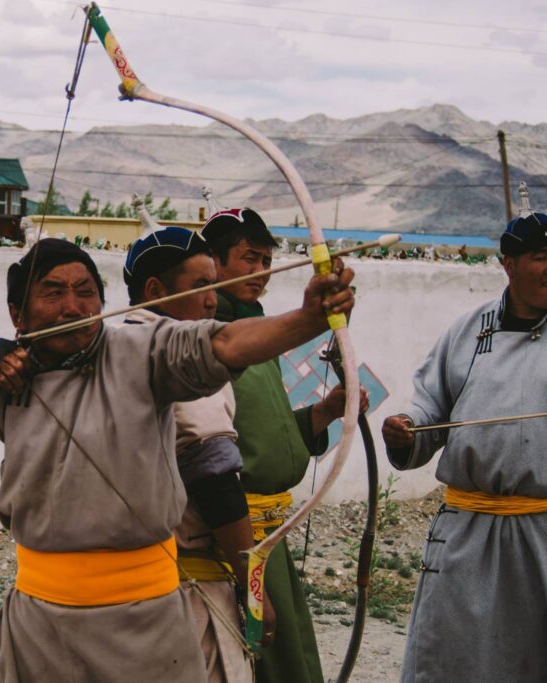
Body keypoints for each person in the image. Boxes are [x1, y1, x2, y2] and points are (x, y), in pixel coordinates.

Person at [0, 238, 354, 682]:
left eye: (86, 292)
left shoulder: (143, 351)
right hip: (38, 623)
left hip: (144, 623)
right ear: (17, 315)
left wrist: (307, 320)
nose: (72, 306)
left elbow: (224, 344)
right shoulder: (8, 380)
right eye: (53, 293)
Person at [381, 209, 547, 682]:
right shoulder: (466, 335)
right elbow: (430, 412)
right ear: (508, 264)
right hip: (471, 533)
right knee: (459, 660)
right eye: (539, 257)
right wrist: (405, 428)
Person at [201, 208, 367, 683]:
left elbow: (268, 435)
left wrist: (328, 411)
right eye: (248, 259)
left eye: (266, 262)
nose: (260, 273)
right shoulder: (204, 342)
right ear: (212, 262)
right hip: (234, 538)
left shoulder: (257, 330)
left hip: (270, 538)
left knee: (288, 659)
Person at [122, 226, 253, 683]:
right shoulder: (182, 362)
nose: (214, 299)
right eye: (202, 286)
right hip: (186, 590)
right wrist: (253, 589)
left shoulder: (109, 353)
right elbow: (215, 480)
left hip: (125, 593)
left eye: (216, 284)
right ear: (155, 290)